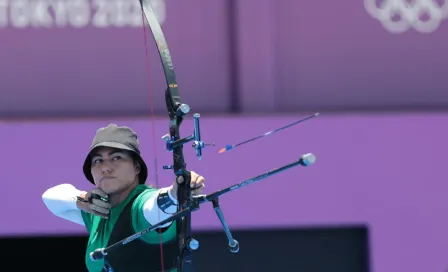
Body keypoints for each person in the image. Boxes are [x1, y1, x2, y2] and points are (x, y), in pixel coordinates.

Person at [42, 124, 206, 272]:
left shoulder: (140, 202)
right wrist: (81, 199)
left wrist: (175, 194)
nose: (105, 167)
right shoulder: (98, 211)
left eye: (116, 158)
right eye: (98, 160)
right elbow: (50, 199)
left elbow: (153, 208)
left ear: (136, 167)